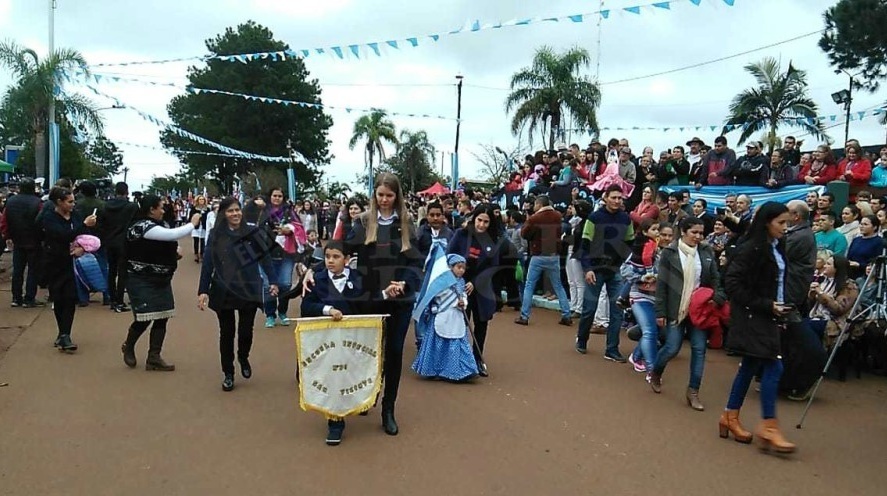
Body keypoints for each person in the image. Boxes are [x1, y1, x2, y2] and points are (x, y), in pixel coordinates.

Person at [303, 172, 423, 436]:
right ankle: (368, 394)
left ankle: (388, 409)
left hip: (400, 300)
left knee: (394, 352)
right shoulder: (363, 222)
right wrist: (313, 269)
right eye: (380, 195)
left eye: (389, 195)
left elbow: (416, 262)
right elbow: (340, 249)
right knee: (367, 351)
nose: (384, 200)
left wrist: (404, 283)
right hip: (370, 299)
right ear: (374, 195)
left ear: (397, 196)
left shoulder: (407, 223)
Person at [721, 201, 796, 453]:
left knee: (750, 366)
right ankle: (769, 426)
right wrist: (766, 304)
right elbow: (732, 283)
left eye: (787, 223)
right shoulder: (751, 248)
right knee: (774, 365)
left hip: (771, 314)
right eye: (781, 223)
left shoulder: (777, 246)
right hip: (754, 316)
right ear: (767, 223)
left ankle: (729, 416)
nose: (785, 228)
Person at [198, 197, 277, 392]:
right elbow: (208, 263)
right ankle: (228, 373)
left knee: (245, 330)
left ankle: (243, 356)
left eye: (237, 210)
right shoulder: (216, 234)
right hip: (224, 289)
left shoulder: (252, 231)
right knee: (226, 333)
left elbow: (265, 258)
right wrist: (203, 290)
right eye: (230, 211)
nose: (235, 214)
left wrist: (273, 281)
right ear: (223, 214)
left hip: (248, 287)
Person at [648, 217, 724, 411]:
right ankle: (656, 372)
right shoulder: (670, 253)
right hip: (676, 309)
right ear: (683, 231)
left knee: (699, 349)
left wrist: (717, 298)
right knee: (672, 348)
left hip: (699, 310)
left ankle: (693, 391)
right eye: (694, 232)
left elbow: (716, 279)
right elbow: (662, 285)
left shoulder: (706, 252)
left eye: (701, 233)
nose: (698, 236)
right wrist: (660, 312)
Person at [121, 195, 200, 371]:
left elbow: (166, 243)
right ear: (151, 209)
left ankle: (154, 357)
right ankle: (129, 346)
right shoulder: (141, 226)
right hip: (140, 278)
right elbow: (171, 235)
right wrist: (192, 224)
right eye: (161, 207)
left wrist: (174, 252)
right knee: (144, 317)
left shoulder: (160, 224)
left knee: (162, 316)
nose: (163, 211)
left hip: (161, 279)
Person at [300, 240, 366, 446]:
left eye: (336, 257)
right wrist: (327, 310)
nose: (330, 261)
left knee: (354, 373)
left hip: (354, 338)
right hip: (327, 339)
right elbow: (306, 306)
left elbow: (368, 304)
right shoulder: (316, 280)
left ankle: (360, 400)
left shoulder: (359, 278)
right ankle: (335, 422)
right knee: (334, 377)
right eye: (327, 256)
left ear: (347, 260)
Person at [575, 185, 634, 362]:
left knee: (617, 311)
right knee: (589, 309)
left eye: (620, 198)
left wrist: (621, 260)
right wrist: (587, 269)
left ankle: (612, 349)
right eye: (614, 197)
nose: (617, 201)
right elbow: (585, 245)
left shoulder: (626, 219)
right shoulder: (594, 218)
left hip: (615, 270)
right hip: (595, 269)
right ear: (605, 198)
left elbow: (630, 242)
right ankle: (582, 339)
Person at [38, 187, 97, 352]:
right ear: (59, 202)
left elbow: (84, 235)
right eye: (70, 201)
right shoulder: (49, 218)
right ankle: (62, 333)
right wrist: (83, 225)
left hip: (72, 263)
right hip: (54, 262)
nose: (73, 204)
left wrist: (82, 248)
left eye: (73, 201)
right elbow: (62, 236)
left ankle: (65, 335)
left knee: (70, 297)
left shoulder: (76, 215)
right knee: (58, 297)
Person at [447, 204, 501, 375]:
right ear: (474, 218)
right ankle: (457, 360)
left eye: (486, 222)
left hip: (482, 288)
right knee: (459, 323)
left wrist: (475, 283)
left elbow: (493, 267)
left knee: (481, 324)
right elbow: (449, 256)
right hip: (459, 286)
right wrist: (460, 279)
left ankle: (477, 359)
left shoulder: (493, 240)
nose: (482, 225)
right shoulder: (461, 234)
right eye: (479, 220)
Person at [412, 253, 479, 382]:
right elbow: (435, 296)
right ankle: (435, 370)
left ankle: (464, 370)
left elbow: (464, 295)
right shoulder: (441, 281)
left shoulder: (461, 282)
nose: (461, 270)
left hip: (456, 317)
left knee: (458, 341)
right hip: (443, 314)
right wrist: (453, 301)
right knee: (438, 343)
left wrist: (463, 303)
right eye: (458, 267)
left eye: (463, 268)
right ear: (450, 267)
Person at [250, 188, 307, 328]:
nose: (277, 198)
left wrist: (290, 230)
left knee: (285, 284)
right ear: (269, 197)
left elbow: (299, 228)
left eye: (280, 196)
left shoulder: (289, 212)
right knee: (268, 285)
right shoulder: (262, 211)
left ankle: (282, 312)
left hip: (286, 254)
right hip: (265, 253)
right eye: (274, 195)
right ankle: (270, 315)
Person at [515, 195, 572, 326]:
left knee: (529, 285)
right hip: (553, 255)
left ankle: (524, 316)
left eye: (535, 204)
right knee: (558, 285)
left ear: (539, 205)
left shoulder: (535, 218)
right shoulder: (557, 215)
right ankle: (566, 315)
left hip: (538, 255)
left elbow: (524, 234)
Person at [1, 178, 43, 308]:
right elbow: (41, 221)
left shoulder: (11, 201)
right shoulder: (38, 202)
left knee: (17, 270)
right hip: (34, 240)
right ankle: (29, 298)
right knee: (33, 270)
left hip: (17, 239)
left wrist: (7, 236)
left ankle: (16, 298)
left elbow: (5, 220)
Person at [98, 182, 138, 313]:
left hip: (109, 242)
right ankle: (120, 301)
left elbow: (101, 225)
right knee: (123, 272)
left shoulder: (105, 206)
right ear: (127, 192)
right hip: (125, 242)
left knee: (111, 271)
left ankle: (112, 299)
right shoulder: (132, 207)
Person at [189, 195, 209, 262]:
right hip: (196, 227)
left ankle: (202, 254)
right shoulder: (194, 208)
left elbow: (208, 218)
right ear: (197, 200)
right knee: (196, 241)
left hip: (203, 226)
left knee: (202, 241)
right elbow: (191, 217)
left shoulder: (207, 209)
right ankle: (196, 254)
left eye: (202, 199)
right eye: (200, 199)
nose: (201, 201)